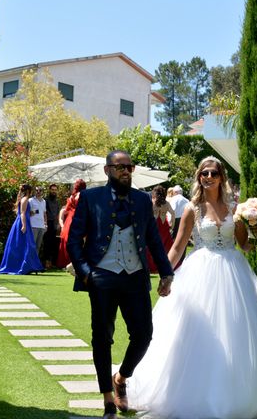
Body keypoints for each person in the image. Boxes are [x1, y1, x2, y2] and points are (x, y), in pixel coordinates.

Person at [127, 156, 257, 419]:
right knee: (197, 333)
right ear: (199, 178)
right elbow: (177, 246)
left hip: (234, 274)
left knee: (234, 332)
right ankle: (192, 392)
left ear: (221, 177)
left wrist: (255, 224)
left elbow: (245, 245)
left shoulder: (235, 209)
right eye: (203, 174)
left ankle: (236, 393)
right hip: (201, 272)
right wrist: (166, 274)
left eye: (213, 173)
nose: (208, 177)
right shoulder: (192, 209)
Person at [67, 150, 174, 419]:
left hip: (135, 276)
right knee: (102, 337)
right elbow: (73, 239)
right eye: (120, 167)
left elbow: (153, 239)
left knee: (143, 334)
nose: (126, 171)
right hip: (101, 276)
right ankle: (107, 400)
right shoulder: (91, 198)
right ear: (107, 171)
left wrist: (166, 272)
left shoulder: (141, 199)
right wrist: (86, 273)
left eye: (130, 166)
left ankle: (122, 377)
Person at [0, 184, 44, 275]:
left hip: (23, 222)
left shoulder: (22, 199)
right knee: (27, 245)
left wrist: (31, 213)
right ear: (29, 191)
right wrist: (24, 225)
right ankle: (25, 266)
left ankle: (28, 266)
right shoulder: (25, 199)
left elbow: (23, 213)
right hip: (22, 223)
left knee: (22, 245)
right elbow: (22, 213)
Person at [57, 178, 87, 269]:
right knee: (81, 241)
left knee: (67, 241)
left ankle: (65, 262)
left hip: (69, 219)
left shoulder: (71, 196)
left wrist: (61, 221)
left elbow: (65, 209)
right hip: (78, 218)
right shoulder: (82, 195)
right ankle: (75, 262)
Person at [145, 185, 175, 273]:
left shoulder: (152, 203)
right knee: (166, 246)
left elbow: (148, 215)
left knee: (152, 246)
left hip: (155, 225)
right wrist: (171, 226)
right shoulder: (166, 203)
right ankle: (167, 265)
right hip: (164, 225)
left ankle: (152, 266)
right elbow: (173, 213)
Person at [167, 184, 189, 265]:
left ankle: (171, 258)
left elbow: (172, 211)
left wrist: (169, 222)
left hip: (175, 221)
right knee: (184, 239)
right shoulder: (186, 200)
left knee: (172, 240)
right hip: (185, 220)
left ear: (175, 192)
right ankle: (181, 259)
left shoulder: (174, 199)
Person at [43, 183, 61, 269]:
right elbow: (44, 213)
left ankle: (51, 262)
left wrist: (58, 224)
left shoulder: (57, 202)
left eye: (55, 190)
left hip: (54, 225)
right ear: (49, 190)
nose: (54, 191)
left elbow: (57, 214)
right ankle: (46, 262)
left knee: (53, 244)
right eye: (52, 190)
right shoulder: (45, 200)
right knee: (46, 244)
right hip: (47, 224)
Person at [29, 186, 47, 258]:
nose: (38, 192)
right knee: (32, 245)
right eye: (37, 190)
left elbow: (44, 213)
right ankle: (29, 263)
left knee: (38, 246)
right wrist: (35, 211)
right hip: (33, 226)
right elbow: (27, 213)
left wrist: (45, 224)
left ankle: (35, 263)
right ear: (35, 191)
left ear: (42, 192)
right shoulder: (30, 200)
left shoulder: (44, 201)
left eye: (40, 190)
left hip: (41, 226)